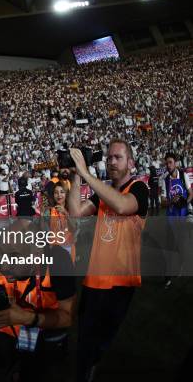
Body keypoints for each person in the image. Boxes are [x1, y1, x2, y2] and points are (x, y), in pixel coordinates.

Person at [67, 139, 149, 382]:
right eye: (109, 157)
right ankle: (85, 371)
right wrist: (77, 177)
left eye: (118, 157)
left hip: (121, 281)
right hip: (95, 277)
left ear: (131, 164)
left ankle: (91, 365)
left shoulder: (139, 188)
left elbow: (123, 206)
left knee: (104, 335)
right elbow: (75, 214)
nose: (112, 161)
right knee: (85, 337)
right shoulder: (102, 191)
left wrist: (87, 174)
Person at [0, 219, 76, 381]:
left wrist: (27, 318)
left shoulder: (58, 261)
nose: (4, 266)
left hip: (42, 333)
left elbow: (67, 318)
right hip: (2, 333)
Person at [162, 153, 192, 288]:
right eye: (166, 163)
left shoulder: (183, 175)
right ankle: (167, 277)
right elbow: (163, 203)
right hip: (171, 218)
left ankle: (180, 267)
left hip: (183, 217)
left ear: (175, 163)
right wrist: (171, 202)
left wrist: (185, 202)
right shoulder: (164, 180)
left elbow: (191, 193)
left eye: (170, 163)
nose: (168, 166)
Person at [43, 183, 77, 262]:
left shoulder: (72, 209)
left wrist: (65, 213)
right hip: (54, 250)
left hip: (69, 248)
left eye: (62, 192)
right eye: (56, 192)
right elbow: (44, 231)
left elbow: (75, 228)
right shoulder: (49, 211)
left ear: (66, 194)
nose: (59, 195)